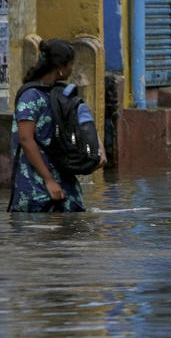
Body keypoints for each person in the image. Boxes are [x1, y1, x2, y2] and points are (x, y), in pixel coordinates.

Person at [9, 38, 105, 213]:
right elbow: (25, 139)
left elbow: (76, 125)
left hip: (62, 176)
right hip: (37, 183)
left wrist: (97, 151)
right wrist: (49, 180)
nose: (72, 69)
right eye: (71, 64)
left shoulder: (58, 95)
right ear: (60, 67)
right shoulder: (30, 96)